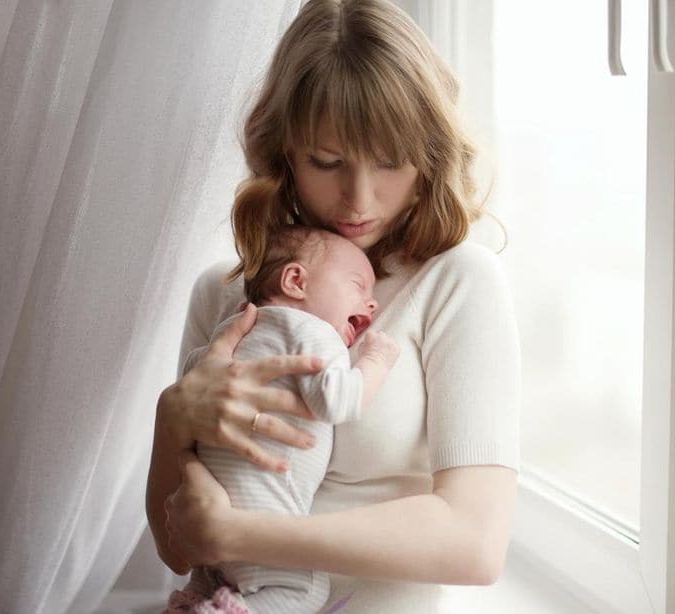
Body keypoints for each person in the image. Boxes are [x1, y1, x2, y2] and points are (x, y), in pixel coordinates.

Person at [145, 0, 521, 611]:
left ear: (427, 158)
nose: (358, 198)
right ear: (284, 153)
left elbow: (475, 543)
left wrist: (249, 536)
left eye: (390, 163)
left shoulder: (458, 281)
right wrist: (173, 419)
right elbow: (178, 546)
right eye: (327, 161)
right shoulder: (223, 294)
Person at [169, 226, 400, 613]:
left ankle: (197, 600)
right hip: (261, 517)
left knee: (211, 579)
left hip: (206, 513)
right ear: (296, 281)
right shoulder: (313, 331)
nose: (371, 304)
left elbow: (190, 391)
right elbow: (336, 400)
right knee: (305, 589)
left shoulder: (227, 331)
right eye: (358, 286)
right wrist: (375, 361)